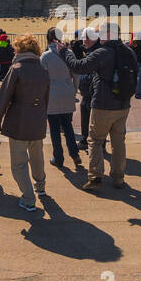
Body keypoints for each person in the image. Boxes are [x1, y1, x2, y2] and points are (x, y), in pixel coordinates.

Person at [74, 30, 140, 191]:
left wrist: (64, 52)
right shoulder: (128, 51)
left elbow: (79, 66)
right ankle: (118, 177)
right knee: (118, 142)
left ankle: (95, 177)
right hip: (123, 104)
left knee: (95, 140)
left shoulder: (103, 52)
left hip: (103, 104)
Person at [0, 35, 53, 214]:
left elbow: (4, 96)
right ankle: (40, 186)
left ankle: (28, 198)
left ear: (19, 50)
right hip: (38, 120)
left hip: (19, 121)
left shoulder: (16, 68)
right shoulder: (43, 70)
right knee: (37, 157)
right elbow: (46, 98)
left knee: (19, 164)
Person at [38, 33, 87, 178]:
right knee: (67, 125)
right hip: (67, 90)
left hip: (52, 93)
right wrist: (74, 89)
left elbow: (42, 77)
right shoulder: (69, 53)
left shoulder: (45, 56)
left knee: (54, 128)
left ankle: (58, 158)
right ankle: (74, 153)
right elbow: (76, 74)